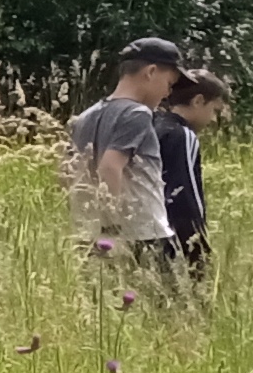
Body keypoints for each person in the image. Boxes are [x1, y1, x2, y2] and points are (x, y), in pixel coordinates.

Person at [64, 37, 182, 263]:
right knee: (163, 298)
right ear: (151, 71)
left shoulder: (86, 116)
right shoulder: (137, 114)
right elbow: (110, 166)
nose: (167, 93)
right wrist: (111, 230)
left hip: (88, 233)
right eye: (168, 83)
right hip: (140, 235)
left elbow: (67, 173)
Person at [158, 65, 230, 281]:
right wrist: (198, 247)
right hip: (173, 238)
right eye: (214, 110)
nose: (214, 120)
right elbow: (186, 195)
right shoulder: (183, 136)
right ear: (198, 101)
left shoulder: (152, 123)